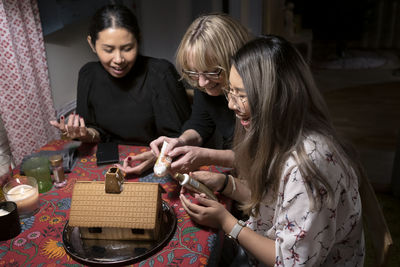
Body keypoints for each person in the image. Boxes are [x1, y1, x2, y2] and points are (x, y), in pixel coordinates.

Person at [179, 35, 365, 266]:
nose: (230, 104)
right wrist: (226, 184)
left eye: (241, 95)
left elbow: (288, 262)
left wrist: (226, 221)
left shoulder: (308, 167)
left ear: (275, 97)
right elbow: (276, 204)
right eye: (231, 92)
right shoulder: (284, 132)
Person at [50, 5, 191, 172]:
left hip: (158, 164)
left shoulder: (161, 74)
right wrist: (85, 134)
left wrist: (156, 159)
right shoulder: (88, 75)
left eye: (127, 48)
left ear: (138, 39)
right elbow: (96, 131)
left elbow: (181, 138)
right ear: (92, 44)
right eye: (108, 50)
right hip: (109, 164)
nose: (118, 59)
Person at [120, 13, 251, 175]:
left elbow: (261, 157)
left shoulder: (257, 90)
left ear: (234, 59)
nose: (201, 83)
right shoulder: (205, 80)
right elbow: (200, 124)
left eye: (212, 72)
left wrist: (207, 155)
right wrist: (178, 142)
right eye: (194, 72)